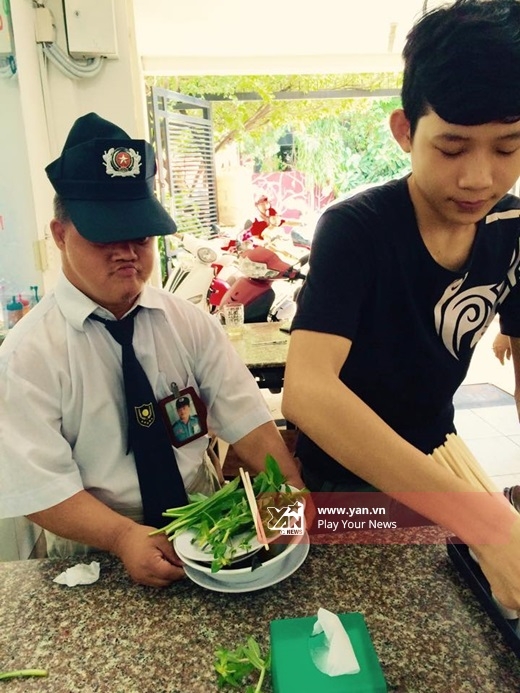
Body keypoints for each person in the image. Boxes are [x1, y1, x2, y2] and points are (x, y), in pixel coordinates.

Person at [282, 0, 520, 610]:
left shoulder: (514, 227)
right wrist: (485, 521)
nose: (479, 178)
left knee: (450, 619)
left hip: (440, 457)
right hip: (342, 482)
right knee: (354, 620)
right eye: (452, 148)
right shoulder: (357, 229)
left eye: (507, 148)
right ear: (405, 132)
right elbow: (307, 391)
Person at [0, 112, 303, 588]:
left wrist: (289, 497)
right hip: (95, 552)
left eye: (140, 235)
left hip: (207, 529)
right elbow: (38, 484)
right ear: (60, 235)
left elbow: (248, 419)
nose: (126, 252)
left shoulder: (188, 323)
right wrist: (121, 536)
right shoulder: (27, 356)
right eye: (105, 234)